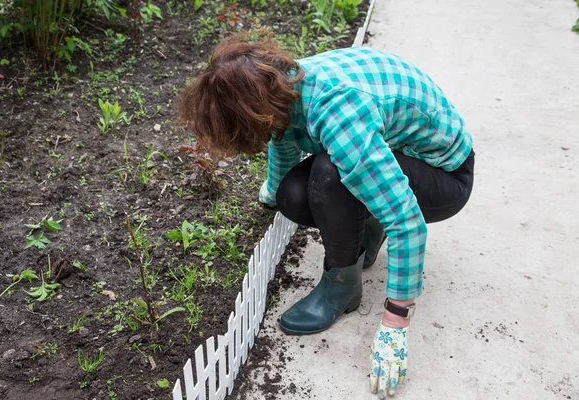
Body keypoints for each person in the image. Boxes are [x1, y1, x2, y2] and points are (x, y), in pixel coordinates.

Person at [179, 35, 474, 398]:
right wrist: (272, 192)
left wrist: (396, 323)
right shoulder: (281, 84)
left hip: (443, 174)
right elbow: (282, 136)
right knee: (295, 195)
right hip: (397, 152)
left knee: (328, 175)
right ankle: (368, 220)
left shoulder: (338, 111)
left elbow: (406, 221)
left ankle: (341, 287)